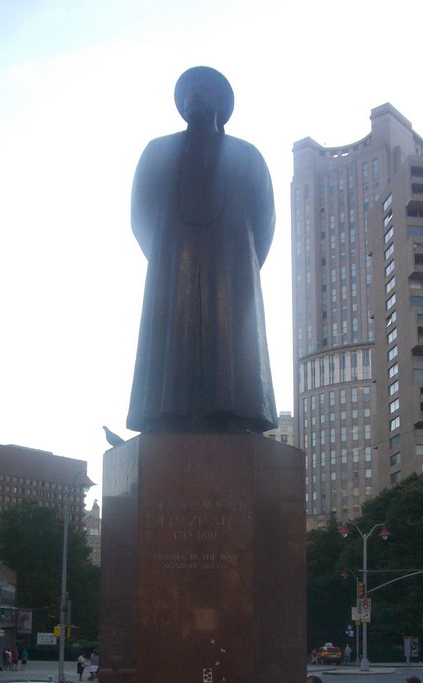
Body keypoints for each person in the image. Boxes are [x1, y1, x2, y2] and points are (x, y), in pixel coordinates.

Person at [127, 66, 278, 435]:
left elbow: (265, 221)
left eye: (202, 90)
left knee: (231, 342)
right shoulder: (157, 150)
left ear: (219, 104)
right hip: (172, 263)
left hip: (232, 265)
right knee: (171, 336)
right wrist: (167, 257)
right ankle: (168, 411)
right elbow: (140, 214)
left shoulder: (248, 155)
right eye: (188, 91)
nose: (193, 96)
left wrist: (241, 264)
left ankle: (233, 410)